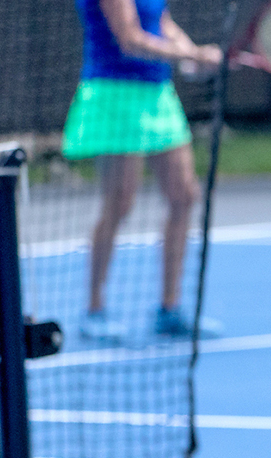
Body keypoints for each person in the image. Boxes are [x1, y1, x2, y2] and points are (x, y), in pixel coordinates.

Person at [63, 0, 222, 342]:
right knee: (119, 203)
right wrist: (191, 55)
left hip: (158, 93)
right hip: (114, 95)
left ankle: (169, 308)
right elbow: (130, 39)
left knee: (184, 196)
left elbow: (162, 21)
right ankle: (94, 309)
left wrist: (190, 53)